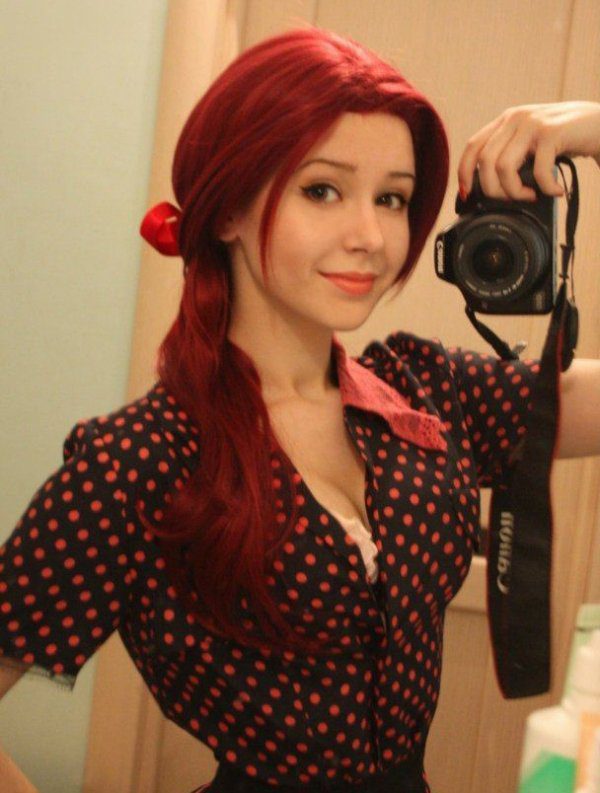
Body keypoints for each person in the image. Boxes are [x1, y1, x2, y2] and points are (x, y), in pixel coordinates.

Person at [1, 24, 599, 793]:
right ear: (227, 209)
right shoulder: (141, 461)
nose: (371, 235)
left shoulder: (430, 394)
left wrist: (593, 125)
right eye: (322, 190)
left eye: (392, 198)